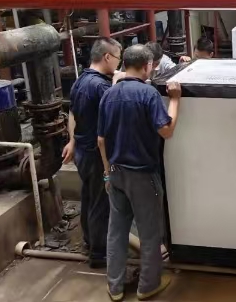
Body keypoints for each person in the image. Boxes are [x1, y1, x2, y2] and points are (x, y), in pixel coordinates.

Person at [98, 45, 181, 301]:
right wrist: (175, 99)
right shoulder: (148, 94)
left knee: (117, 231)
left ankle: (115, 287)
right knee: (149, 233)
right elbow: (166, 130)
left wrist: (107, 174)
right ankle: (147, 286)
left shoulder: (108, 95)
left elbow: (101, 140)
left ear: (124, 63)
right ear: (147, 66)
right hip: (143, 176)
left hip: (116, 173)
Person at [62, 37, 122, 268]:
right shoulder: (101, 86)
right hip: (96, 154)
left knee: (88, 197)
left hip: (82, 151)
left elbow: (73, 114)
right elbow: (116, 109)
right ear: (107, 57)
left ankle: (89, 240)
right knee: (101, 202)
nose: (118, 63)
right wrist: (117, 82)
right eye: (117, 58)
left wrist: (72, 141)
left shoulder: (80, 81)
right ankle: (99, 254)